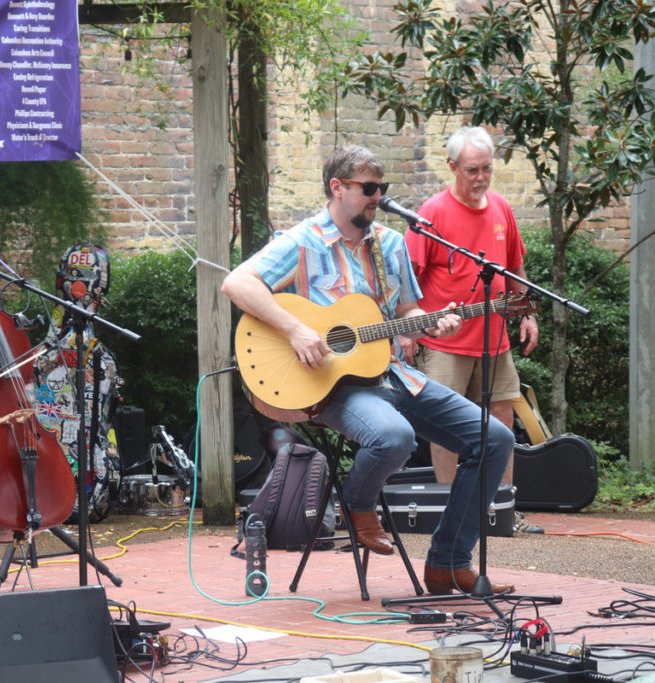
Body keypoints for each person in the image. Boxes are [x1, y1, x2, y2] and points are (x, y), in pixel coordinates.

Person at [221, 144, 515, 595]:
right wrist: (298, 330)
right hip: (333, 386)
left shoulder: (392, 245)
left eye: (382, 188)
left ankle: (448, 562)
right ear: (338, 187)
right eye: (369, 188)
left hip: (394, 375)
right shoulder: (302, 241)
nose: (377, 196)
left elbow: (408, 312)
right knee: (393, 437)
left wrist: (436, 321)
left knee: (495, 438)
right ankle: (357, 504)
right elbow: (237, 282)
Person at [401, 126, 543, 535]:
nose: (481, 178)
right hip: (444, 341)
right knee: (445, 424)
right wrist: (408, 331)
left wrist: (527, 312)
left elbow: (514, 266)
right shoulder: (431, 214)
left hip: (495, 338)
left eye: (487, 169)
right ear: (452, 168)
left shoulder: (500, 208)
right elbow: (407, 276)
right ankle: (450, 511)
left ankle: (501, 510)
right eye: (472, 170)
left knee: (501, 415)